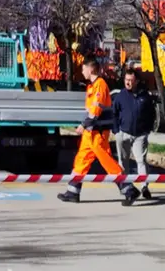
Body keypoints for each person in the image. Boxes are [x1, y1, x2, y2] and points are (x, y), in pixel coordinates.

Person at [58, 58, 141, 207]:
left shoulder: (100, 86)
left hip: (98, 132)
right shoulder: (91, 86)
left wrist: (84, 125)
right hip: (91, 133)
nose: (82, 71)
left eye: (83, 68)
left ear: (91, 70)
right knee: (81, 161)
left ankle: (129, 189)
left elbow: (96, 111)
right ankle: (73, 191)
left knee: (107, 162)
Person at [111, 69, 155, 198]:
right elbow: (114, 114)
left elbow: (151, 114)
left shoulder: (144, 96)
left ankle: (144, 186)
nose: (128, 83)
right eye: (126, 80)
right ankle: (126, 187)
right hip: (123, 133)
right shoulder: (120, 96)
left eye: (131, 80)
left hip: (140, 135)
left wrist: (148, 129)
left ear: (136, 81)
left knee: (141, 160)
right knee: (123, 162)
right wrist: (116, 131)